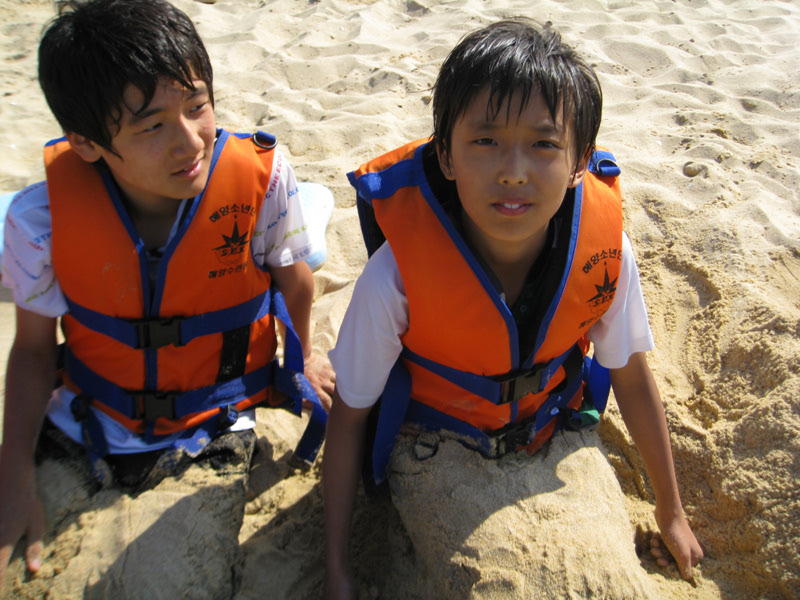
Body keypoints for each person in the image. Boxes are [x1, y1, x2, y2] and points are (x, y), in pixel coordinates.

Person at [323, 19, 703, 599]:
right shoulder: (396, 274)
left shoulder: (606, 252)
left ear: (580, 163)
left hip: (554, 431)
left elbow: (630, 373)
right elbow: (350, 416)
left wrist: (671, 511)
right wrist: (336, 569)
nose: (513, 171)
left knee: (607, 583)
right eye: (486, 141)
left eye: (544, 144)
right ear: (445, 155)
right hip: (436, 445)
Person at [0, 0, 335, 595]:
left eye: (197, 106)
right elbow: (31, 350)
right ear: (85, 142)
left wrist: (302, 356)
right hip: (83, 417)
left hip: (214, 422)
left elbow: (295, 280)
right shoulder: (39, 219)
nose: (189, 142)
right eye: (151, 126)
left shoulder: (263, 180)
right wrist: (13, 477)